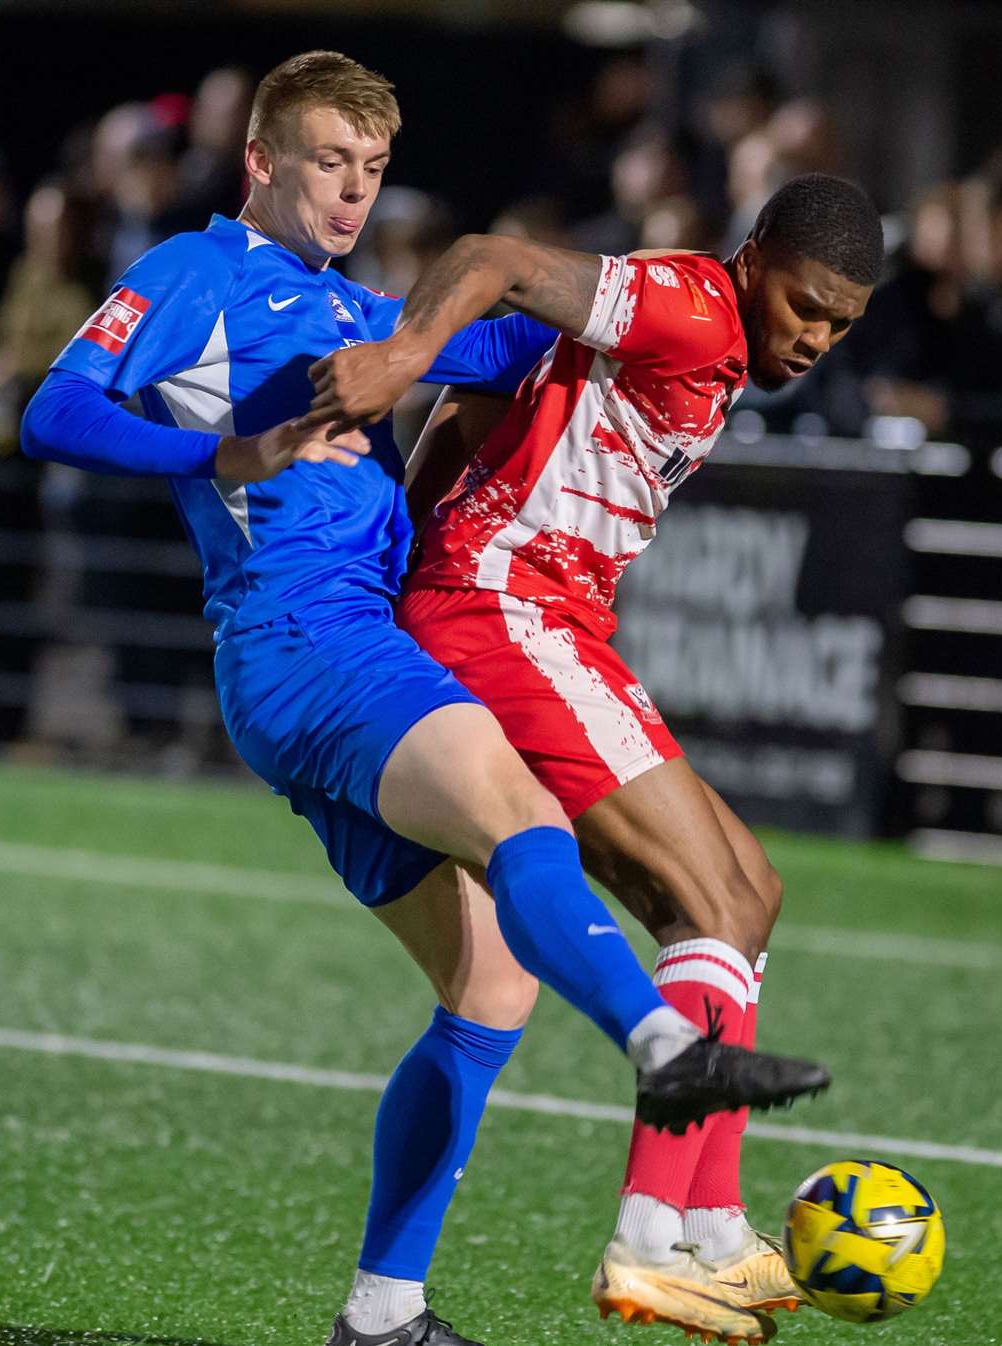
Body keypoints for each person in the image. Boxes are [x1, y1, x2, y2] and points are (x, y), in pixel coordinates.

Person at [20, 51, 829, 1346]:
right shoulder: (194, 277)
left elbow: (503, 331)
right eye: (329, 161)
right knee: (527, 819)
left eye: (372, 169)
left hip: (347, 656)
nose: (351, 191)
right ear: (264, 161)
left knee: (493, 982)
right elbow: (53, 414)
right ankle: (667, 1045)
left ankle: (382, 1314)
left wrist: (637, 311)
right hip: (306, 639)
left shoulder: (358, 316)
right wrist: (222, 446)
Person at [305, 172, 881, 1343]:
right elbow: (491, 258)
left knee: (749, 893)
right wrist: (406, 354)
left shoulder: (719, 346)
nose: (815, 339)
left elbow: (499, 412)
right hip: (502, 610)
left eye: (840, 325)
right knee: (706, 897)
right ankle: (648, 1237)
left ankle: (711, 1225)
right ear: (755, 256)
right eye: (807, 307)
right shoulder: (686, 303)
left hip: (542, 618)